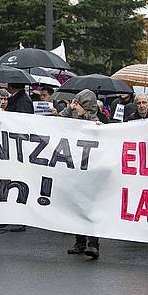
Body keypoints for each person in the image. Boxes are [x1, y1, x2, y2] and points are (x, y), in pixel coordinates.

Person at [58, 89, 103, 259]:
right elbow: (57, 123)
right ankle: (79, 241)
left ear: (86, 105)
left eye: (78, 103)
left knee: (90, 208)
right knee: (76, 206)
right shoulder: (73, 117)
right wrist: (70, 108)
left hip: (90, 171)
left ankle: (93, 244)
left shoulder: (97, 122)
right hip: (75, 168)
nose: (75, 107)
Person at [1, 82, 34, 231]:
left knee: (20, 182)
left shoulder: (23, 101)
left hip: (19, 148)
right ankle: (9, 216)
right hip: (14, 148)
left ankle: (21, 219)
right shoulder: (18, 99)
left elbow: (23, 124)